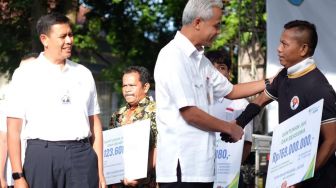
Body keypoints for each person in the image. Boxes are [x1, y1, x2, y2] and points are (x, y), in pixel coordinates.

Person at [154, 0, 271, 187]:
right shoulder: (172, 56)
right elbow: (190, 114)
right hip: (182, 167)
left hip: (203, 167)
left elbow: (231, 90)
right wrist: (229, 127)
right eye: (216, 26)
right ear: (198, 22)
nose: (218, 32)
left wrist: (270, 82)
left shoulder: (201, 61)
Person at [6, 12, 106, 188]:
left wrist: (100, 173)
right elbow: (13, 130)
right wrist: (18, 176)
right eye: (62, 36)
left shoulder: (83, 74)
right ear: (44, 39)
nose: (69, 41)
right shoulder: (25, 74)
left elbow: (95, 125)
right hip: (42, 157)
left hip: (81, 157)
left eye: (70, 34)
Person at [234, 20, 336, 188]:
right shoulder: (284, 76)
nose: (278, 48)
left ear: (303, 49)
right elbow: (260, 101)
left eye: (284, 44)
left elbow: (331, 141)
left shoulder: (319, 88)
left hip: (317, 181)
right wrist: (238, 124)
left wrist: (301, 178)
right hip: (287, 173)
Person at [206, 50, 253, 188]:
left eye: (222, 68)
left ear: (229, 72)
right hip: (200, 175)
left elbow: (247, 145)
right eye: (212, 68)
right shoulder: (196, 102)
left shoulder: (241, 104)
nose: (218, 73)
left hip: (229, 177)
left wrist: (228, 172)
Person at [109, 66, 157, 188]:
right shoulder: (117, 115)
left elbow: (160, 147)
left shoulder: (157, 111)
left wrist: (139, 174)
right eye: (124, 86)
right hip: (119, 181)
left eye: (132, 85)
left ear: (145, 87)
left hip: (147, 181)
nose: (127, 90)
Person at [0, 53, 38, 188]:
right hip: (16, 176)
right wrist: (1, 176)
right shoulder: (9, 102)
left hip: (41, 171)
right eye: (21, 70)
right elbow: (3, 139)